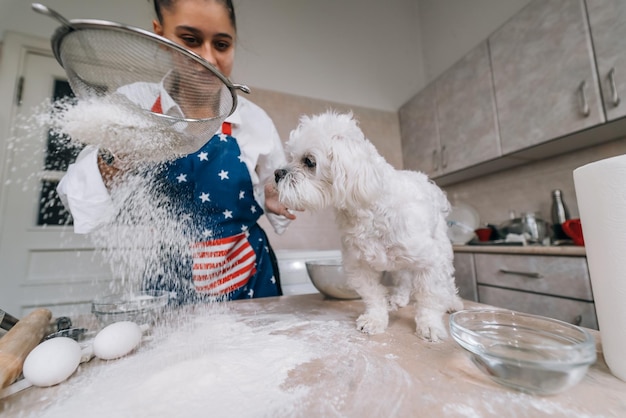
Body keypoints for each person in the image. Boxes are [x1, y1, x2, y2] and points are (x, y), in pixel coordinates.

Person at [57, 0, 296, 303]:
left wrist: (275, 195)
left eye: (221, 44)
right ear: (160, 34)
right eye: (190, 40)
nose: (208, 58)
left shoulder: (254, 120)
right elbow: (76, 202)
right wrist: (115, 155)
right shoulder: (134, 104)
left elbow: (274, 197)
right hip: (171, 281)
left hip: (250, 277)